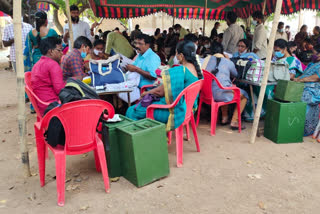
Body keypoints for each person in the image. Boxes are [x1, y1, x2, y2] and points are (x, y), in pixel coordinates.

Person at [126, 40, 202, 131]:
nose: (176, 56)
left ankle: (142, 138)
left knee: (132, 110)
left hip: (174, 111)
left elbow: (160, 92)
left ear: (181, 56)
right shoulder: (197, 70)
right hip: (188, 109)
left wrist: (145, 93)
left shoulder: (181, 71)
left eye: (176, 53)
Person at [202, 42, 248, 129]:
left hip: (206, 94)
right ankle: (234, 121)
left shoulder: (205, 61)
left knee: (224, 87)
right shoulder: (228, 62)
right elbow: (235, 75)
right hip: (221, 94)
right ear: (223, 52)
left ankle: (224, 117)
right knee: (244, 95)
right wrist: (229, 61)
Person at [31, 37, 65, 116]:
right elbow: (60, 90)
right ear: (51, 51)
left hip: (42, 106)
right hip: (52, 106)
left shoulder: (37, 64)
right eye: (59, 50)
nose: (62, 53)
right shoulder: (53, 65)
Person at [293, 44, 320, 136]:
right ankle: (292, 125)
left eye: (314, 53)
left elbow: (317, 77)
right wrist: (296, 80)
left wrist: (300, 80)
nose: (312, 55)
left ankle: (303, 128)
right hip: (304, 86)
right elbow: (304, 75)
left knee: (302, 97)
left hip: (314, 89)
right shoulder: (312, 64)